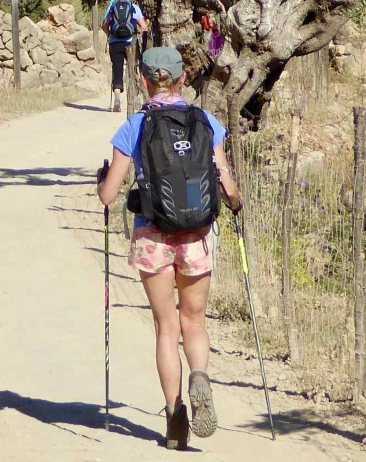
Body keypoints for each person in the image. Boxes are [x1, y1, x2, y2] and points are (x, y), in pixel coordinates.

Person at [95, 47, 242, 450]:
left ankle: (175, 413)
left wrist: (102, 180)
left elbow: (109, 196)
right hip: (196, 235)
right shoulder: (206, 121)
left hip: (153, 235)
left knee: (165, 327)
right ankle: (200, 375)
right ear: (182, 80)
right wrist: (235, 202)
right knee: (194, 321)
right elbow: (227, 186)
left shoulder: (135, 126)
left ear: (142, 79)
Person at [101, 0, 148, 112]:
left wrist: (110, 34)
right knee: (134, 71)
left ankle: (117, 100)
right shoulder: (134, 7)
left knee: (117, 71)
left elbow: (104, 25)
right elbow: (144, 27)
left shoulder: (112, 6)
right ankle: (137, 99)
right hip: (130, 43)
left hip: (114, 43)